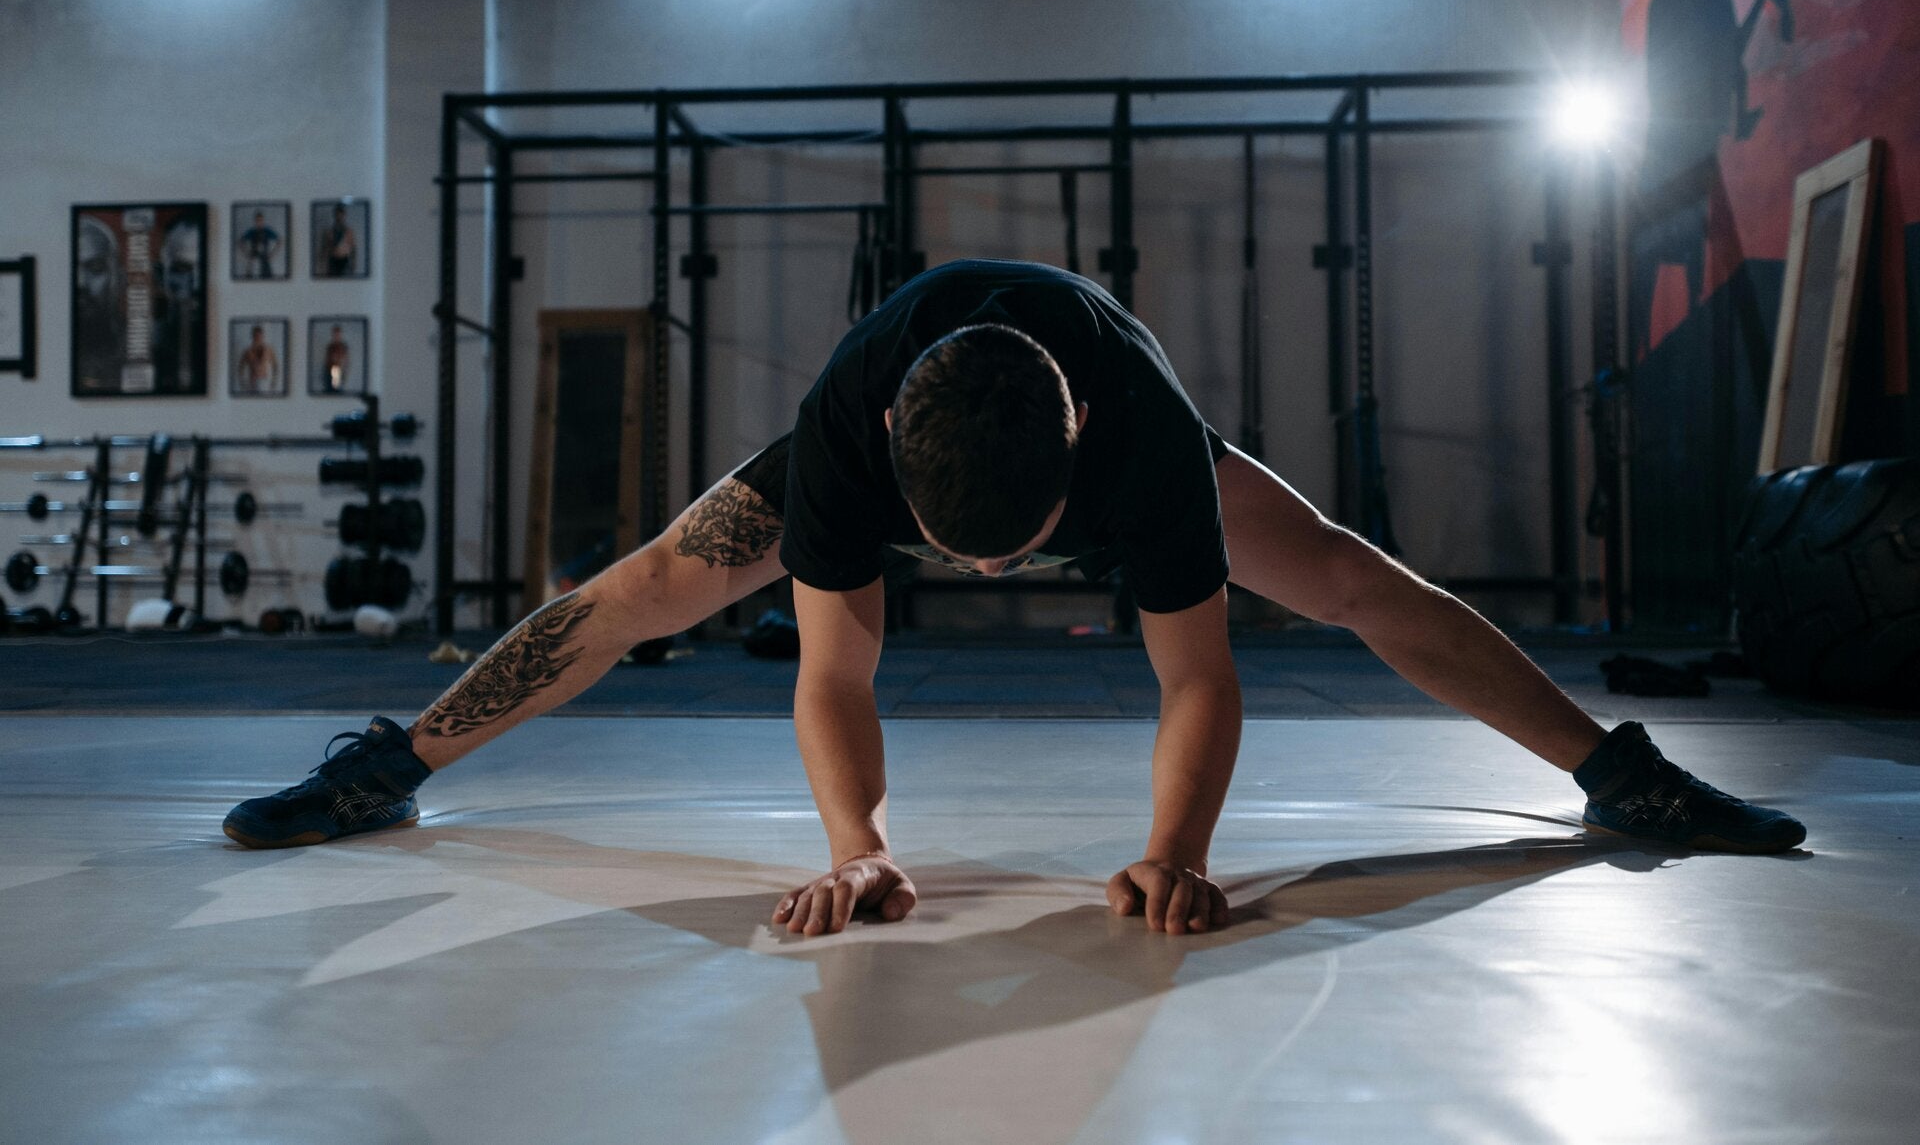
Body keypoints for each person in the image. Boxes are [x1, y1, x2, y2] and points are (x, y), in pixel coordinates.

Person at [224, 260, 1805, 936]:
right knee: (644, 583)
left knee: (1341, 570)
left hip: (1106, 398)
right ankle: (389, 763)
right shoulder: (848, 437)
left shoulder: (1148, 445)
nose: (986, 577)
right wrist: (859, 849)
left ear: (1082, 461)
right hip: (904, 399)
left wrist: (1177, 854)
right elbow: (834, 672)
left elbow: (1199, 679)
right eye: (958, 553)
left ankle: (1622, 772)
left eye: (1015, 551)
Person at [236, 209, 281, 279]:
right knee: (249, 277)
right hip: (253, 258)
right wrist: (246, 253)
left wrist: (272, 253)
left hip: (264, 258)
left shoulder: (267, 231)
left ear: (263, 221)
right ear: (255, 221)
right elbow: (240, 241)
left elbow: (279, 240)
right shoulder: (252, 232)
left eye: (261, 220)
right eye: (257, 220)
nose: (259, 222)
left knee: (268, 278)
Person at [235, 324, 280, 394]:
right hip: (252, 383)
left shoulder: (269, 350)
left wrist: (274, 380)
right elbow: (240, 367)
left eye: (260, 336)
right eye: (256, 336)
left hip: (265, 382)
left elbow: (275, 365)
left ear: (263, 336)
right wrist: (242, 382)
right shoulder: (247, 351)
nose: (258, 338)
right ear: (252, 336)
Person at [318, 204, 357, 277]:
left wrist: (354, 262)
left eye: (341, 215)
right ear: (334, 216)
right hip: (332, 260)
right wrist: (322, 262)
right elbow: (325, 247)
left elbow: (353, 248)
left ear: (344, 216)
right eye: (337, 215)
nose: (339, 217)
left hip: (345, 260)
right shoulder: (329, 232)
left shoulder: (349, 232)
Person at [322, 324, 350, 393]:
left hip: (338, 369)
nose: (336, 336)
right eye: (334, 334)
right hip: (329, 369)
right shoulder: (330, 346)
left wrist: (343, 366)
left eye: (338, 334)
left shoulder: (343, 347)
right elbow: (327, 359)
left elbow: (346, 359)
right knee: (329, 389)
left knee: (336, 389)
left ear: (340, 335)